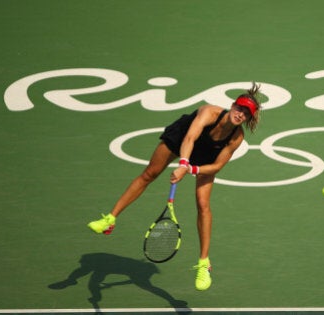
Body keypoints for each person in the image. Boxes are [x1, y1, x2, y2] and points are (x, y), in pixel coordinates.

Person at [87, 83, 262, 291]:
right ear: (233, 105)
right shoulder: (208, 112)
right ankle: (110, 219)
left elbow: (216, 166)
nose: (241, 115)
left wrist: (191, 170)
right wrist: (183, 164)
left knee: (203, 204)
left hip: (207, 154)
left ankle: (204, 264)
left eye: (246, 114)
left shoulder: (236, 137)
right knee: (149, 174)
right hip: (183, 136)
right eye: (239, 108)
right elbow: (189, 138)